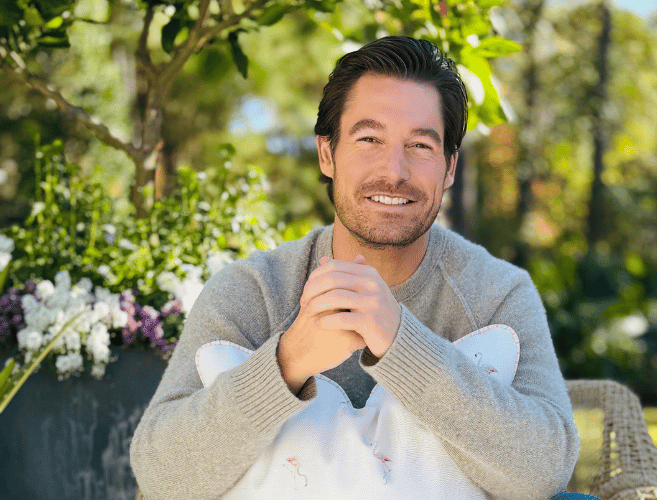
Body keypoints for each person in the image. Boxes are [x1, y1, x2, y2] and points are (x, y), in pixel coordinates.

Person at [131, 36, 593, 500]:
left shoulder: (497, 294)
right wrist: (287, 362)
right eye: (369, 139)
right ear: (327, 154)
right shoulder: (252, 292)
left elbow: (546, 471)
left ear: (450, 168)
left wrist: (401, 343)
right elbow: (159, 475)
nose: (393, 170)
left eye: (421, 145)